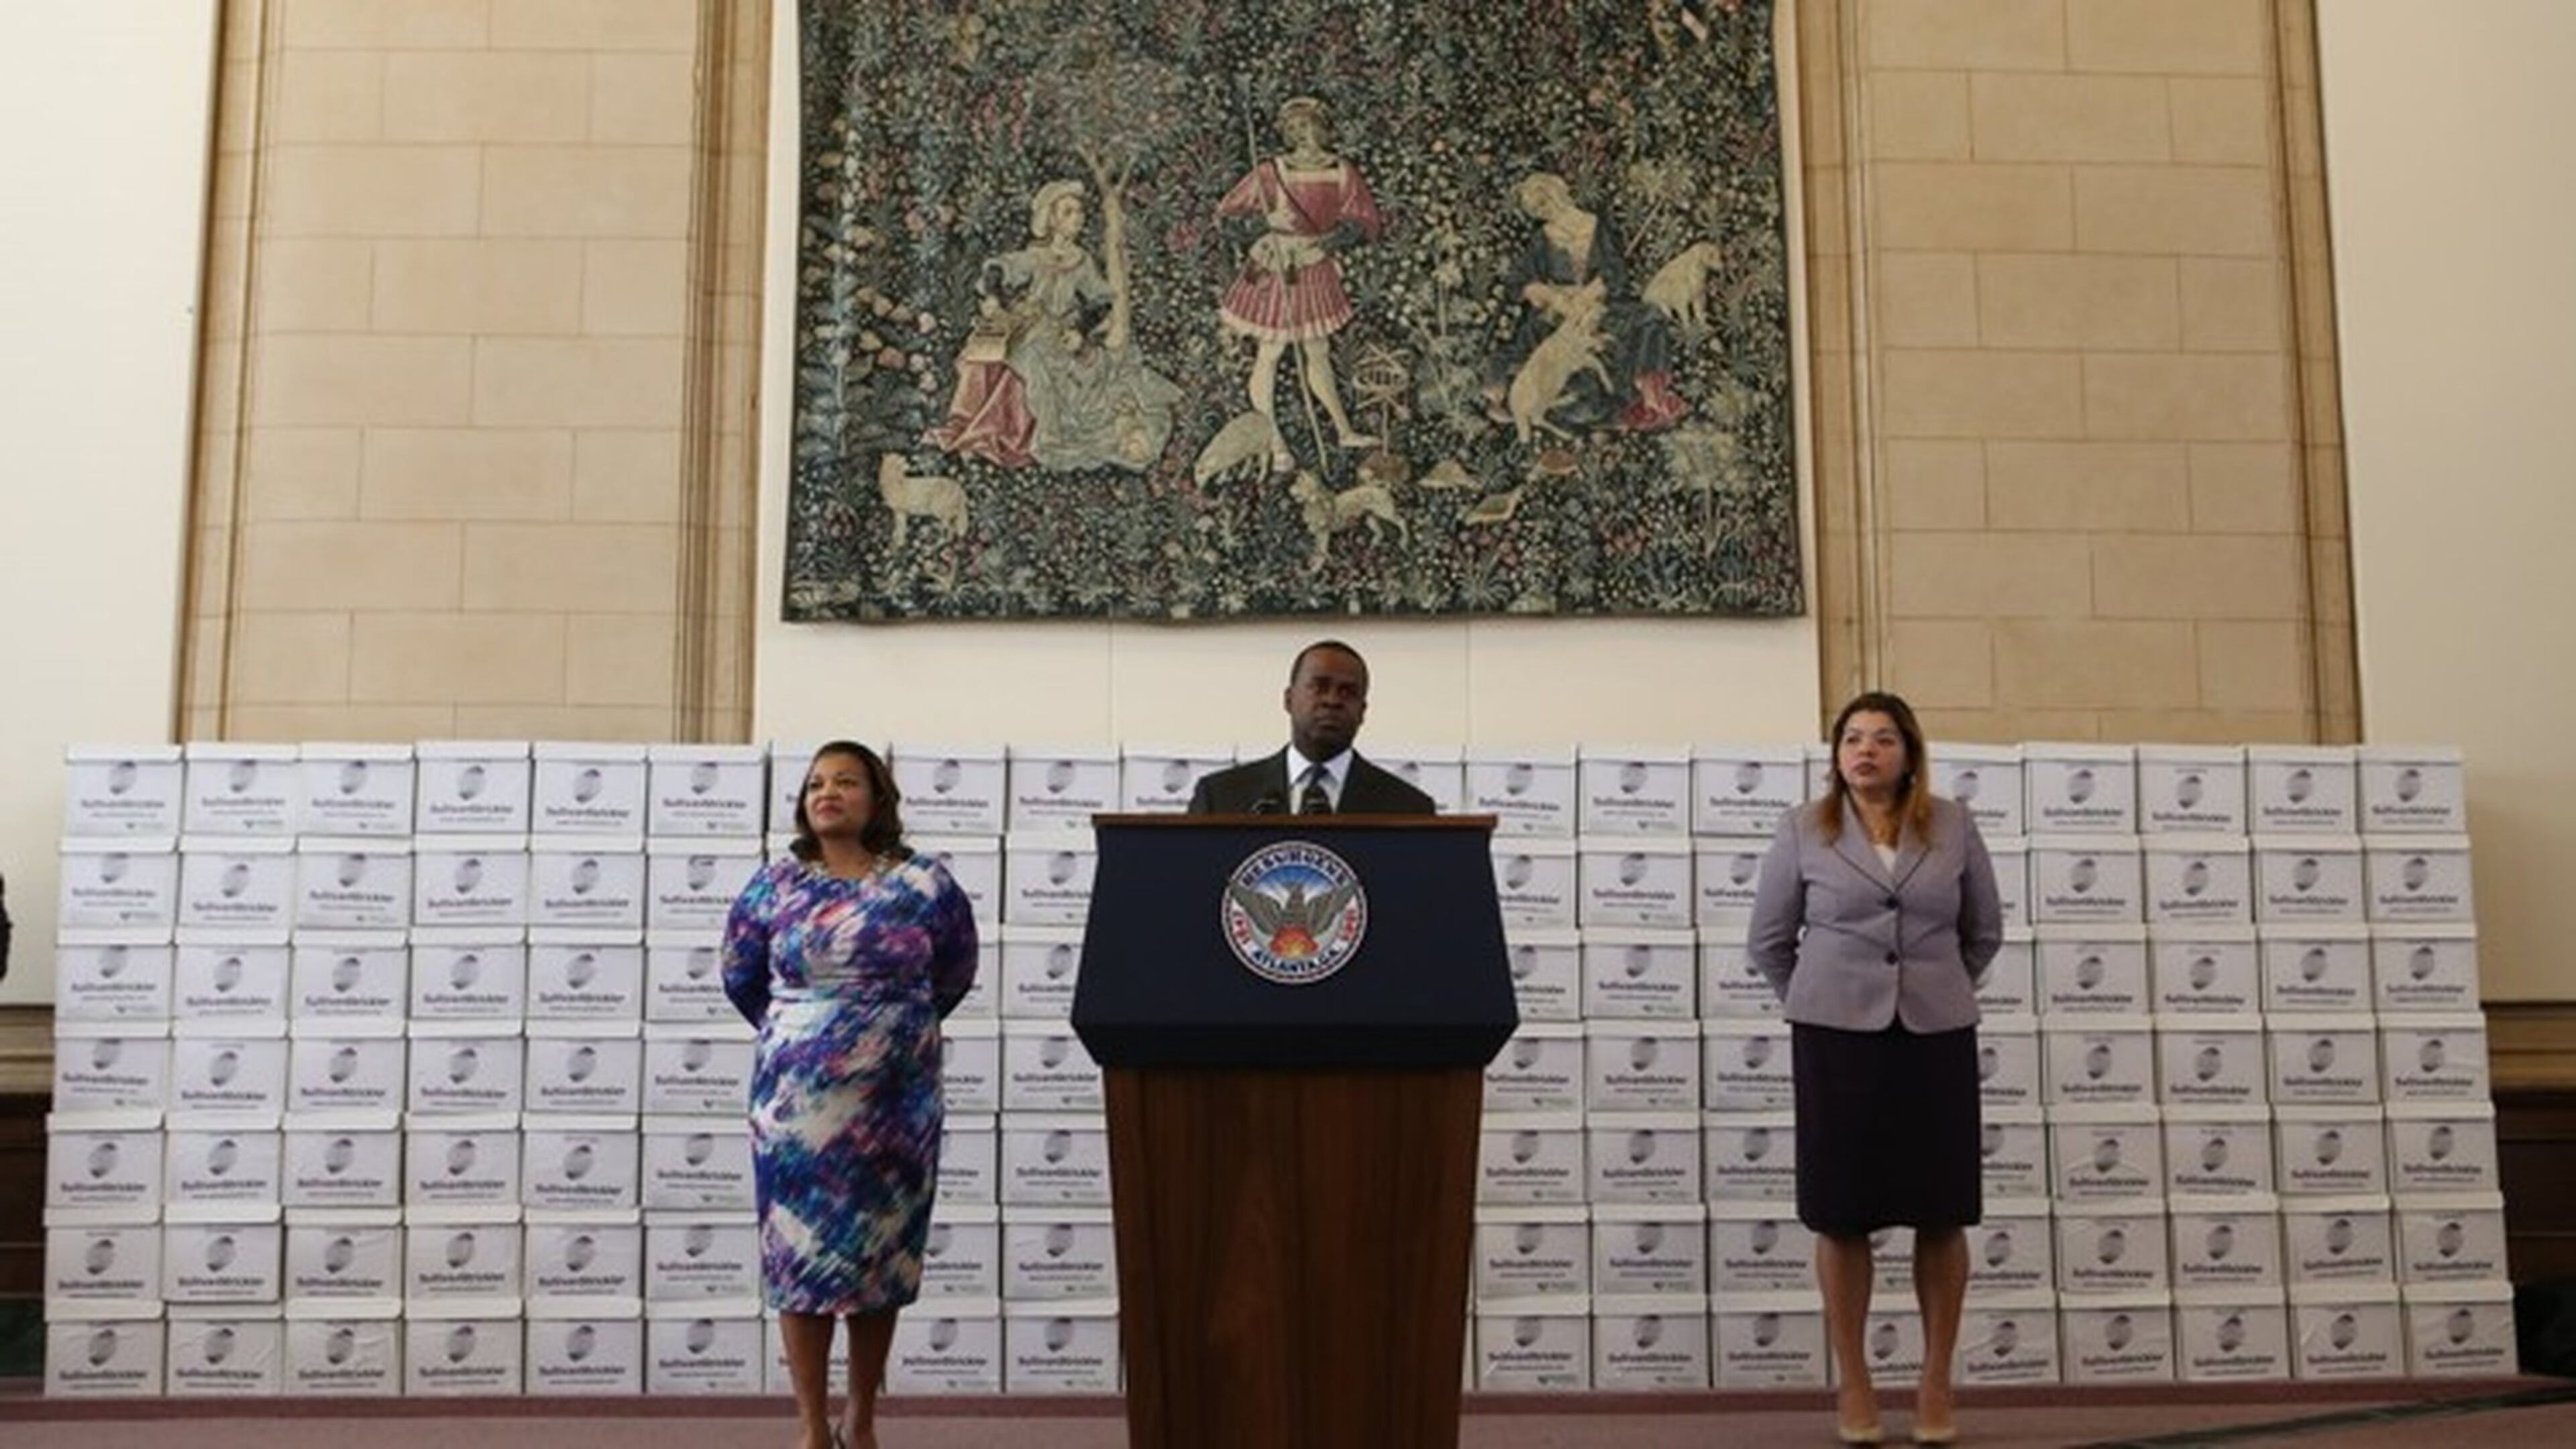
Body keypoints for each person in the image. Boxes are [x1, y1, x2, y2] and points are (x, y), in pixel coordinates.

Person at [1745, 691, 2003, 1447]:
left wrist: (1935, 985)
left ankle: (1934, 1381)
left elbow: (1982, 932)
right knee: (1842, 1212)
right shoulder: (1804, 829)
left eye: (1883, 738)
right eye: (1852, 738)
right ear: (1836, 755)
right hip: (1837, 1041)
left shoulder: (1953, 825)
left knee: (1941, 1209)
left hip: (1934, 1036)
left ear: (1909, 752)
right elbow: (1768, 941)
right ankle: (1854, 1383)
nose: (1866, 750)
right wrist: (1819, 997)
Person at [723, 741, 978, 1449]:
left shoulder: (926, 884)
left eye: (845, 781)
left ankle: (862, 1417)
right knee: (798, 1261)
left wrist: (883, 1035)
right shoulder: (773, 887)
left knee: (880, 1258)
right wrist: (814, 1036)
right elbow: (742, 977)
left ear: (877, 798)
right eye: (815, 783)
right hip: (797, 1110)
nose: (827, 792)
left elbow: (953, 973)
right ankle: (809, 1425)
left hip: (897, 1105)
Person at [928, 178, 1178, 472]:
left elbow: (1100, 301)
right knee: (987, 353)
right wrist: (994, 299)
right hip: (1025, 328)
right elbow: (997, 269)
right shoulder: (1035, 256)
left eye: (1080, 212)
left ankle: (1035, 437)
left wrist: (1080, 330)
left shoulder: (1081, 260)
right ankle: (973, 431)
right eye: (1068, 213)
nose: (1078, 219)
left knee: (1054, 363)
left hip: (1058, 334)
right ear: (1052, 220)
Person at [1214, 95, 1383, 469]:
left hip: (1314, 262)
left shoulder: (1340, 171)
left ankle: (1342, 429)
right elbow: (1226, 216)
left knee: (1318, 349)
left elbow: (1363, 221)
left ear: (1323, 128)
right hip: (1276, 264)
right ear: (1287, 133)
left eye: (1310, 126)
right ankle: (1273, 442)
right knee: (1271, 352)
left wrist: (1326, 244)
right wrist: (1267, 221)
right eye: (1295, 128)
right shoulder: (1273, 171)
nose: (1303, 135)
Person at [1485, 172, 1688, 435]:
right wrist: (1555, 298)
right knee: (1553, 354)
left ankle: (1651, 396)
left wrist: (1589, 295)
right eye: (1537, 210)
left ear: (1557, 193)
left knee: (1650, 316)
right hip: (1559, 314)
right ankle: (1549, 407)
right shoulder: (1543, 237)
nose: (1545, 212)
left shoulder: (1595, 226)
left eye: (1544, 203)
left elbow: (1616, 273)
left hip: (1599, 304)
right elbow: (1519, 281)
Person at [1185, 640, 1434, 815]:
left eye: (1347, 692)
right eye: (1319, 686)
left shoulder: (1408, 808)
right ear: (1288, 699)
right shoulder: (1220, 798)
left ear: (1363, 711)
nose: (1332, 700)